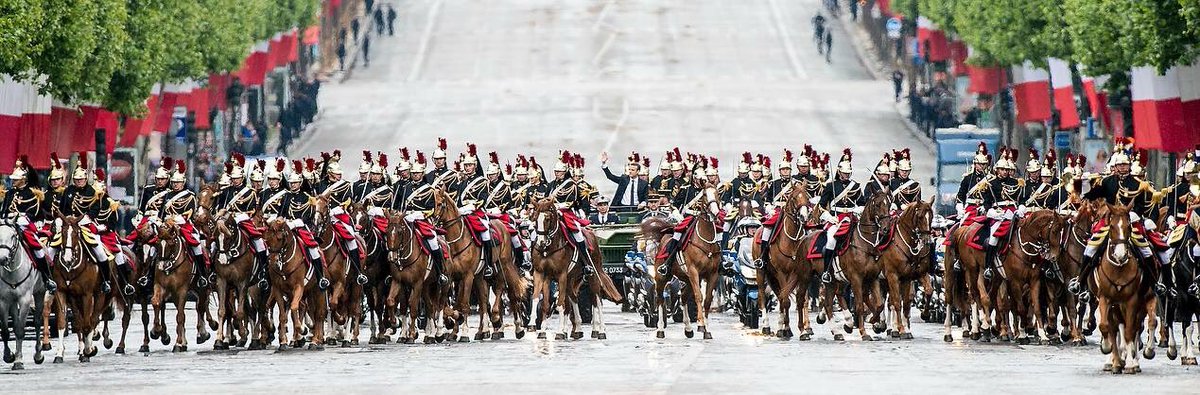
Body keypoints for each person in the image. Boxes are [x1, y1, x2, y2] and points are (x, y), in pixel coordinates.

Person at [1071, 139, 1169, 297]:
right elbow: (1089, 196)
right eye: (1120, 165)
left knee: (1146, 251)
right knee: (1091, 248)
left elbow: (1143, 205)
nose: (1123, 168)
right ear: (1115, 167)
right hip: (1110, 222)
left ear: (1129, 166)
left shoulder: (1139, 184)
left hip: (1131, 221)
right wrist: (1085, 183)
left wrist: (1134, 214)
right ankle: (1081, 283)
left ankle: (1155, 283)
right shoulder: (1107, 182)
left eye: (1125, 165)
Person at [2, 155, 57, 292]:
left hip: (24, 226)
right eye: (13, 179)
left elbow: (34, 212)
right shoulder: (9, 193)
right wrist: (5, 217)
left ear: (23, 180)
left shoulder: (32, 194)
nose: (13, 182)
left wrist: (21, 217)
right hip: (9, 226)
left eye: (16, 180)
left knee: (38, 249)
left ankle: (47, 278)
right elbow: (4, 210)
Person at [658, 168, 722, 276]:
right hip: (689, 217)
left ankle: (722, 260)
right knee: (678, 234)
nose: (701, 182)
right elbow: (674, 205)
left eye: (703, 180)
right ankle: (668, 261)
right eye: (699, 180)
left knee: (719, 231)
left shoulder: (709, 190)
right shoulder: (686, 189)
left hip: (705, 217)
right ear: (694, 179)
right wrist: (677, 215)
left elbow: (715, 204)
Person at [817, 149, 863, 284]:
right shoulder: (831, 186)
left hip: (851, 217)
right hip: (835, 219)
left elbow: (862, 203)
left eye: (848, 173)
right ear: (839, 172)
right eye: (844, 173)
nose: (846, 175)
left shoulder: (855, 186)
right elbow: (821, 205)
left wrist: (856, 210)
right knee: (831, 239)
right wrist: (829, 217)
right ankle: (826, 271)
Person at [980, 148, 1022, 281]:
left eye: (1006, 169)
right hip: (999, 214)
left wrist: (1021, 207)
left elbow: (1022, 199)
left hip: (1014, 213)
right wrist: (992, 212)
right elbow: (987, 203)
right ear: (997, 170)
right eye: (1002, 169)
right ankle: (988, 267)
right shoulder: (991, 184)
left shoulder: (1016, 183)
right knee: (993, 237)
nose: (1005, 172)